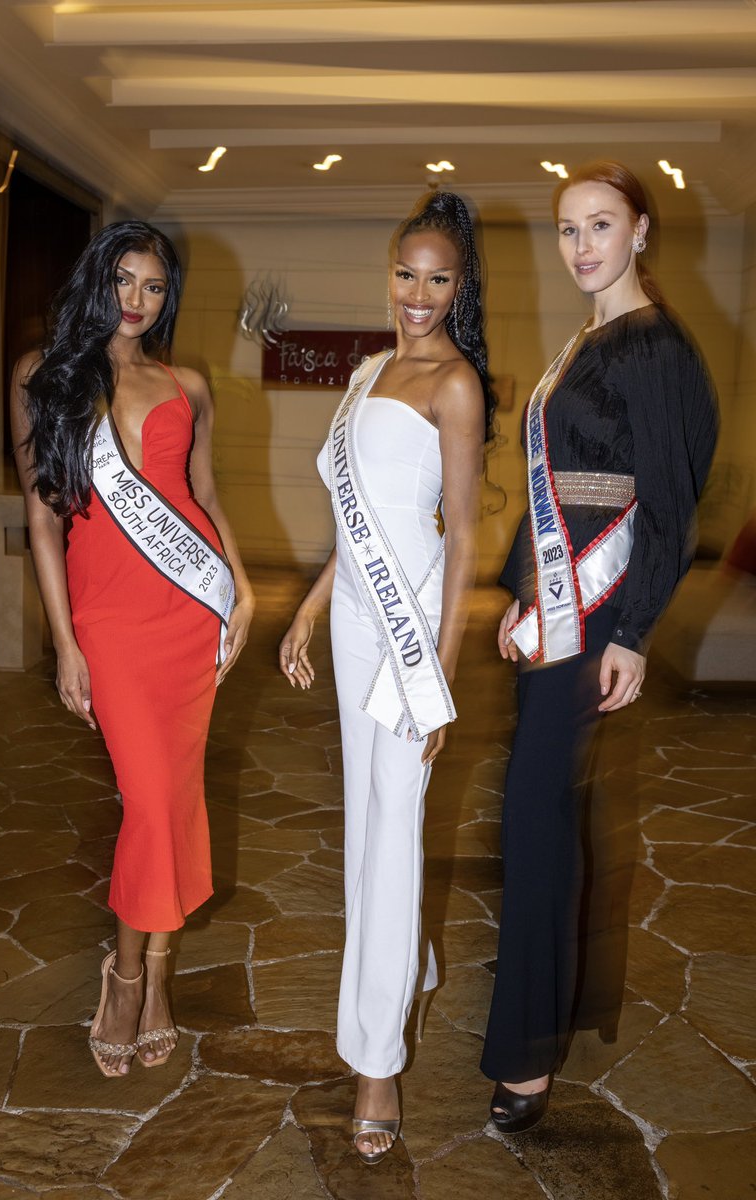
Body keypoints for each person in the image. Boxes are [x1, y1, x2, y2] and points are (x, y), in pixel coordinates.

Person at [481, 161, 718, 1132]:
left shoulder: (653, 347)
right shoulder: (589, 339)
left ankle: (526, 1057)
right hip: (557, 606)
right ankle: (546, 1007)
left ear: (639, 231)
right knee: (539, 816)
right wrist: (517, 590)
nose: (581, 245)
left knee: (532, 817)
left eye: (599, 225)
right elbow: (559, 477)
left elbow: (665, 499)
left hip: (598, 614)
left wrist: (630, 633)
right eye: (567, 229)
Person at [11, 221, 254, 1077]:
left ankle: (151, 976)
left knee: (170, 799)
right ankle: (129, 975)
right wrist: (65, 644)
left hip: (191, 610)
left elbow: (207, 495)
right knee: (152, 802)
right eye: (124, 280)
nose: (137, 301)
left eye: (154, 287)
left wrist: (245, 587)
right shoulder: (42, 376)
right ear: (97, 279)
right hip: (109, 621)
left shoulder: (186, 381)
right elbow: (43, 521)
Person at [279, 191, 491, 1164]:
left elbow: (460, 540)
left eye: (436, 278)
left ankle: (378, 1060)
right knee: (367, 834)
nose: (417, 293)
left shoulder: (455, 385)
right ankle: (399, 959)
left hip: (409, 649)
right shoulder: (367, 372)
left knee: (395, 830)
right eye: (405, 273)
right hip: (358, 632)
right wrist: (311, 610)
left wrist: (440, 672)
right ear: (389, 274)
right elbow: (348, 531)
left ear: (458, 285)